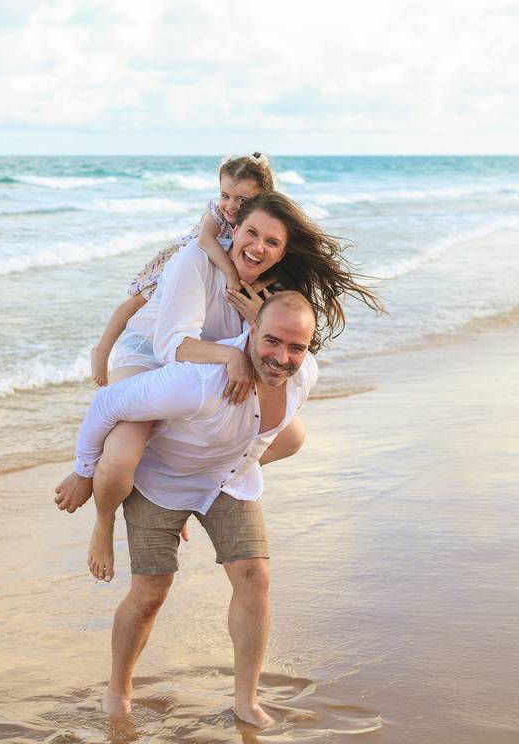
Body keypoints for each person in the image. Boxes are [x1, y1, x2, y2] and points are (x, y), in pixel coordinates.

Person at [55, 192, 384, 581]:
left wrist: (255, 318)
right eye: (251, 233)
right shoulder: (196, 259)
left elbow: (269, 348)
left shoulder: (272, 285)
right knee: (123, 454)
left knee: (292, 436)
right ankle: (104, 523)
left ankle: (192, 484)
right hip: (151, 355)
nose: (258, 247)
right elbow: (168, 345)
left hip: (200, 370)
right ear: (235, 227)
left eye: (272, 242)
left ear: (282, 251)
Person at [69, 292, 318, 728]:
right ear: (251, 332)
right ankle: (118, 691)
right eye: (272, 342)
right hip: (160, 482)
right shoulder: (197, 382)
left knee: (255, 578)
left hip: (224, 480)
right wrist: (83, 473)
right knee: (151, 592)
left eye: (296, 347)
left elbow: (266, 435)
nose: (283, 358)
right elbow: (107, 404)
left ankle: (245, 700)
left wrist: (233, 471)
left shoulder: (303, 376)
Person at [90, 153, 275, 387]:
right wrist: (230, 274)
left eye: (242, 199)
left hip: (205, 269)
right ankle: (102, 350)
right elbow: (205, 241)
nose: (231, 205)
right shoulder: (216, 214)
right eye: (224, 196)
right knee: (139, 302)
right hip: (185, 260)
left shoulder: (262, 222)